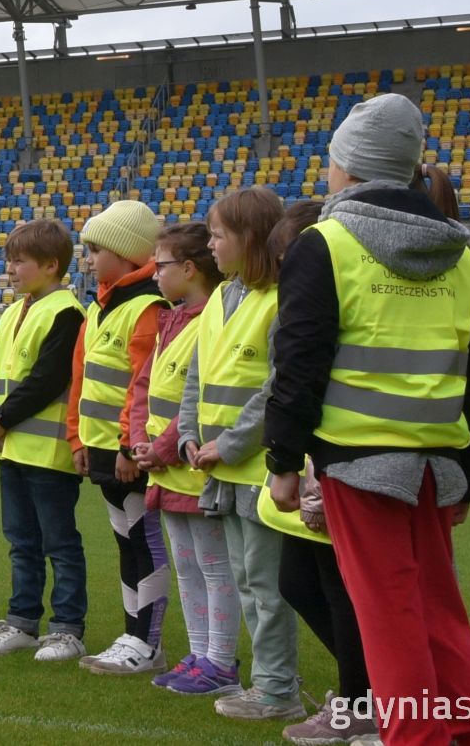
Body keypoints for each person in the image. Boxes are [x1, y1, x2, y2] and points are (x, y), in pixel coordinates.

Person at [266, 97, 470, 746]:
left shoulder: (327, 242)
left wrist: (284, 461)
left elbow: (299, 360)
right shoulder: (459, 253)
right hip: (439, 465)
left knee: (389, 622)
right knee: (438, 616)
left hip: (360, 465)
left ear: (346, 166)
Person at [179, 184, 304, 723]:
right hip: (220, 469)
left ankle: (278, 688)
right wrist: (188, 433)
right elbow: (196, 377)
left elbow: (276, 387)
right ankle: (270, 682)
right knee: (247, 582)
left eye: (218, 235)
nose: (210, 245)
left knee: (266, 586)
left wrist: (226, 445)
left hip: (257, 469)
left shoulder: (282, 301)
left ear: (251, 239)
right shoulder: (220, 300)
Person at [262, 197, 381, 744]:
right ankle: (377, 688)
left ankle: (366, 699)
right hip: (317, 465)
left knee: (341, 589)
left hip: (342, 462)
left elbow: (315, 383)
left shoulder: (335, 300)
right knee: (299, 582)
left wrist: (310, 473)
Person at [133, 221, 240, 698]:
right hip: (165, 468)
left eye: (162, 266)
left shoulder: (209, 320)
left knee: (215, 566)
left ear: (190, 268)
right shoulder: (170, 319)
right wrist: (140, 439)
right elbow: (145, 388)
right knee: (187, 566)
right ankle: (199, 655)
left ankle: (221, 660)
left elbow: (192, 399)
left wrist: (158, 448)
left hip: (192, 465)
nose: (155, 274)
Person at [0, 219, 88, 662]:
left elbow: (47, 379)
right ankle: (22, 621)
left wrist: (1, 419)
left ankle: (67, 628)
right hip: (14, 449)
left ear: (50, 265)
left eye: (19, 261)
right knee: (21, 541)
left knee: (58, 543)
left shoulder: (67, 312)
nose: (11, 269)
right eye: (9, 261)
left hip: (49, 451)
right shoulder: (12, 311)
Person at [66, 199, 168, 675]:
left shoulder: (148, 307)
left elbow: (143, 383)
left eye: (95, 249)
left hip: (127, 453)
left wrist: (129, 445)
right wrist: (78, 440)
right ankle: (134, 634)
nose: (87, 259)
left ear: (126, 254)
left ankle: (145, 641)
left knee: (142, 543)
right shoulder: (99, 305)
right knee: (127, 542)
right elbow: (81, 379)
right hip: (102, 449)